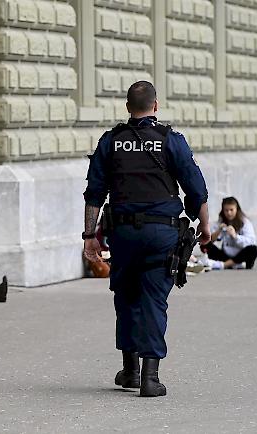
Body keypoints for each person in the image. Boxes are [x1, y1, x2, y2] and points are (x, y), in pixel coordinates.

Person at [82, 81, 211, 397]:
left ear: (128, 107)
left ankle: (130, 370)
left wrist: (89, 236)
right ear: (156, 106)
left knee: (126, 296)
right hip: (161, 234)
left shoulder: (111, 142)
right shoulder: (171, 141)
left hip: (123, 234)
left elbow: (95, 193)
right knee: (154, 299)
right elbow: (197, 189)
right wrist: (205, 227)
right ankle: (150, 378)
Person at [198, 197, 257, 270]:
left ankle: (224, 265)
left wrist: (235, 236)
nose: (229, 213)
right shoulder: (221, 221)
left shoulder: (245, 222)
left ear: (237, 210)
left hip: (240, 255)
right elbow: (209, 240)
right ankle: (232, 264)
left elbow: (251, 241)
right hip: (225, 255)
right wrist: (219, 231)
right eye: (226, 210)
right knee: (205, 244)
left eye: (231, 210)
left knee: (253, 249)